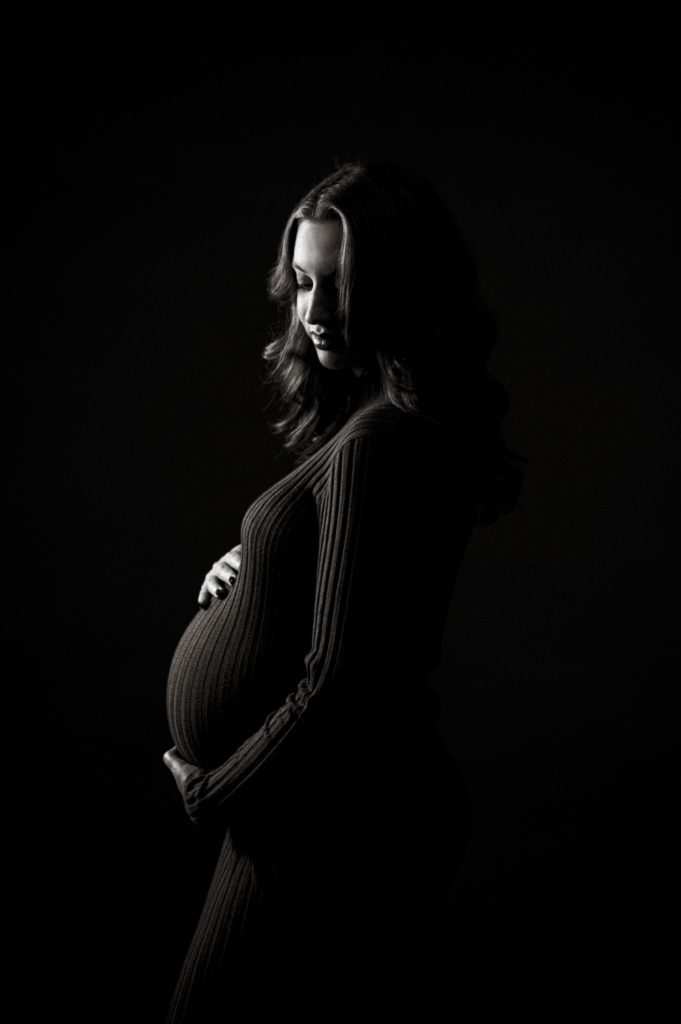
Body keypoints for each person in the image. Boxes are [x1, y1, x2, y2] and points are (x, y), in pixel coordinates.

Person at [162, 159, 523, 1021]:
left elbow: (344, 682)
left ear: (402, 283)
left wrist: (216, 791)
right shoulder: (385, 419)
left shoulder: (380, 442)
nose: (313, 312)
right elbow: (357, 594)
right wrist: (253, 564)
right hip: (322, 815)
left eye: (341, 284)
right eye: (300, 283)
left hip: (326, 827)